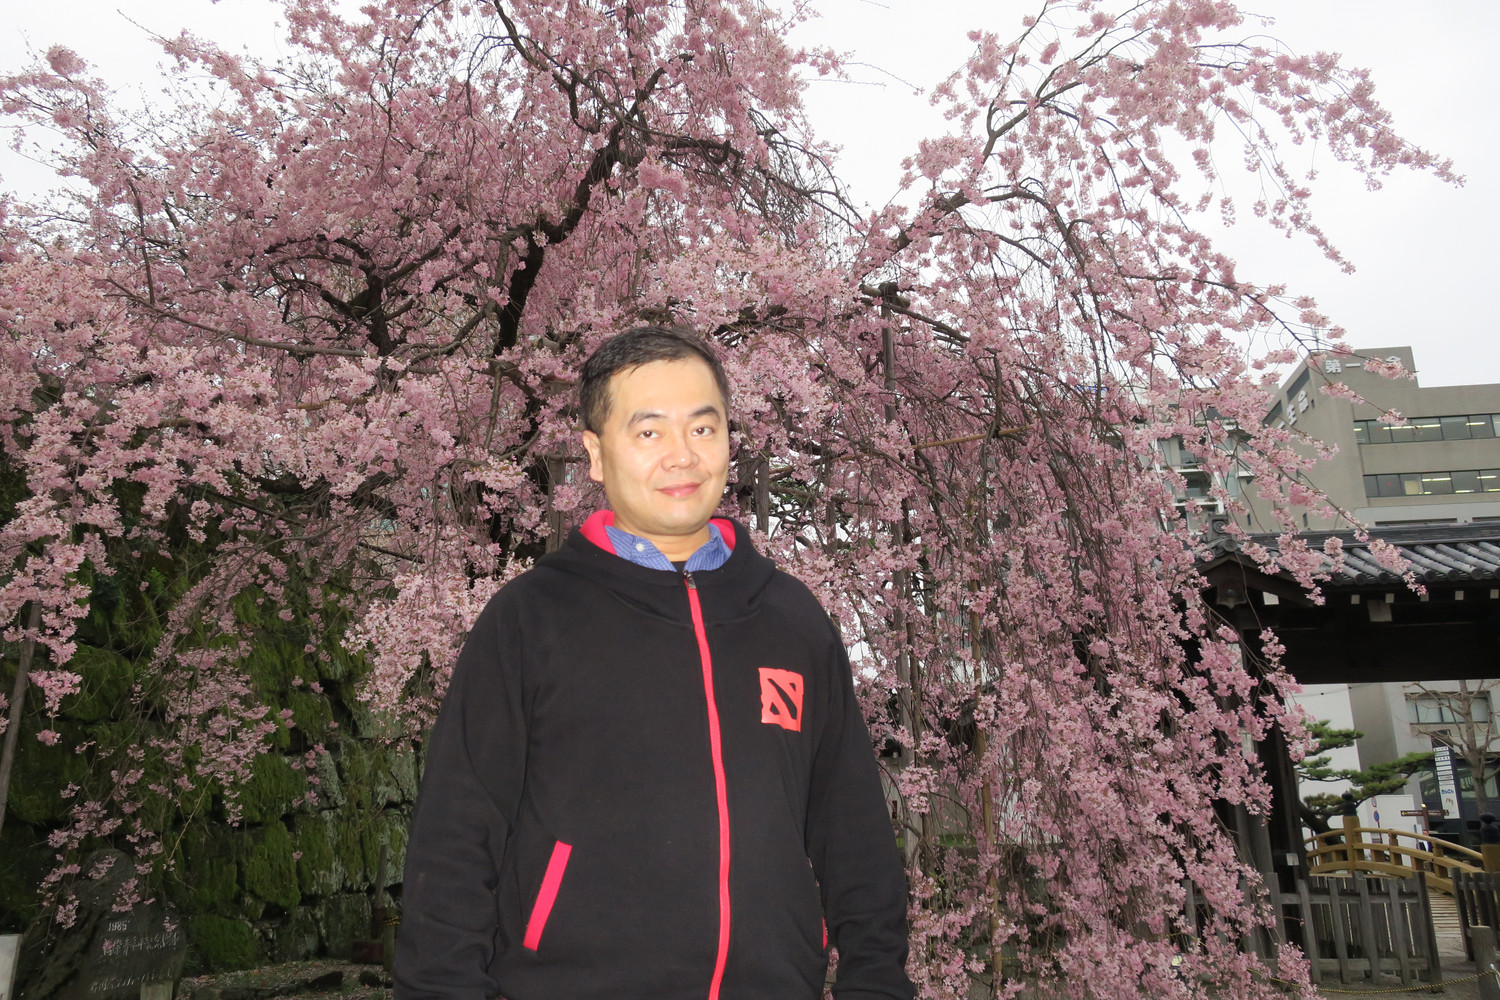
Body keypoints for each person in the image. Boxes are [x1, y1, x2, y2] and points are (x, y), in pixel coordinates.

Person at [393, 326, 913, 1000]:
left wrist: (877, 983)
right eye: (649, 432)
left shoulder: (791, 621)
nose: (682, 456)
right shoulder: (531, 620)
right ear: (596, 454)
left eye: (703, 428)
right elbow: (455, 840)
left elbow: (854, 832)